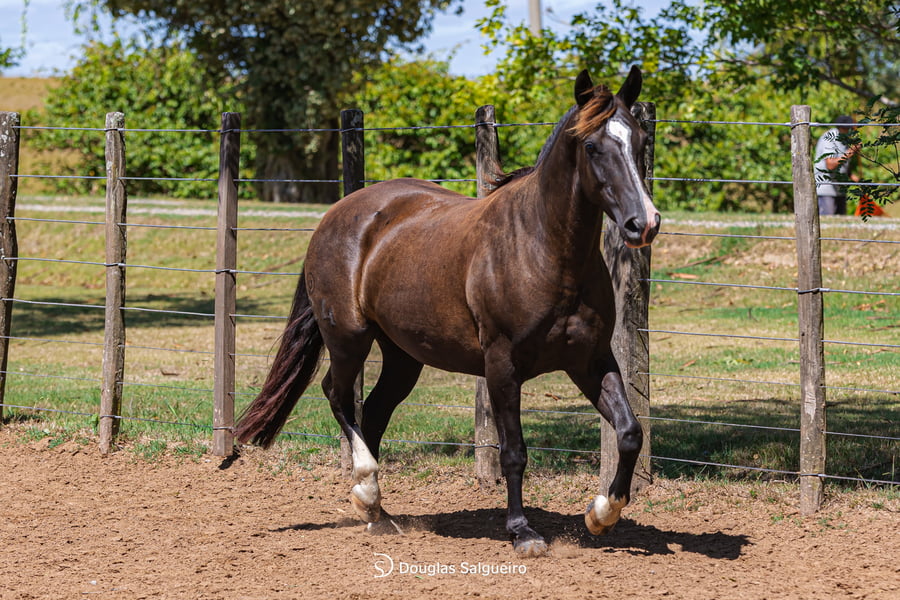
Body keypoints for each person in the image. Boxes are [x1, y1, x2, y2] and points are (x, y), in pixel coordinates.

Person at [814, 115, 860, 215]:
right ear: (842, 128)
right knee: (828, 220)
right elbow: (830, 165)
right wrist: (851, 152)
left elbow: (841, 164)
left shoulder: (845, 140)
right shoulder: (830, 138)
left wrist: (853, 177)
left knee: (841, 219)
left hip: (839, 187)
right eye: (850, 128)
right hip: (826, 187)